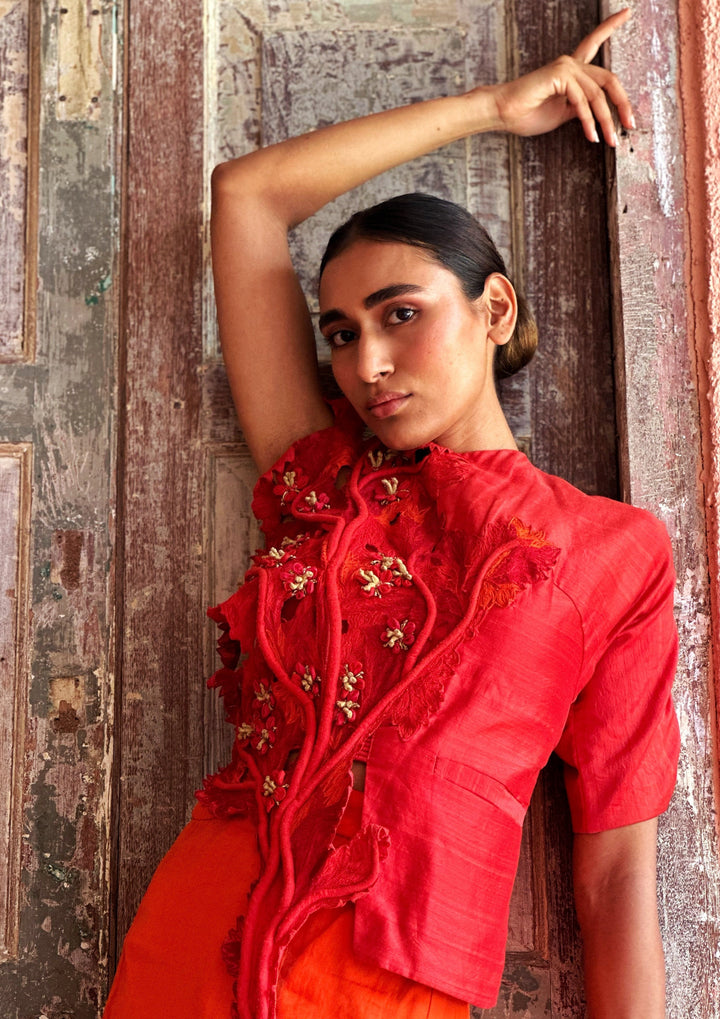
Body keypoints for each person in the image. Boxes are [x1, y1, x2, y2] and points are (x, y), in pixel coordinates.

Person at [104, 9, 679, 1019]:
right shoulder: (323, 482)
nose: (365, 363)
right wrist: (495, 107)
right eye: (339, 332)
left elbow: (619, 870)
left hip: (389, 971)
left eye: (400, 313)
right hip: (195, 940)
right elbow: (246, 196)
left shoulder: (611, 554)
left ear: (492, 310)